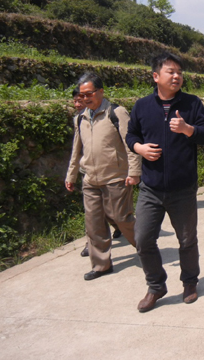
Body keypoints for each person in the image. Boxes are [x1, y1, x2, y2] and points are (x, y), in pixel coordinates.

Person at [126, 52, 204, 312]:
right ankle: (156, 286)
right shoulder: (142, 106)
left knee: (186, 240)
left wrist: (188, 129)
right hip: (150, 188)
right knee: (143, 239)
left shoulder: (192, 103)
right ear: (156, 76)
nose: (176, 76)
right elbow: (131, 135)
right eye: (170, 72)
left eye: (179, 73)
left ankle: (189, 281)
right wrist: (139, 148)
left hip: (182, 188)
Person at [65, 73, 141, 280]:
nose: (85, 98)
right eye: (82, 95)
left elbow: (130, 143)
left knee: (121, 218)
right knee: (94, 223)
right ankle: (101, 265)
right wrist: (71, 175)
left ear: (100, 91)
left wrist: (134, 172)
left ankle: (145, 246)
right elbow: (76, 149)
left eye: (89, 94)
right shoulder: (81, 117)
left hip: (116, 177)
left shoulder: (116, 113)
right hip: (90, 178)